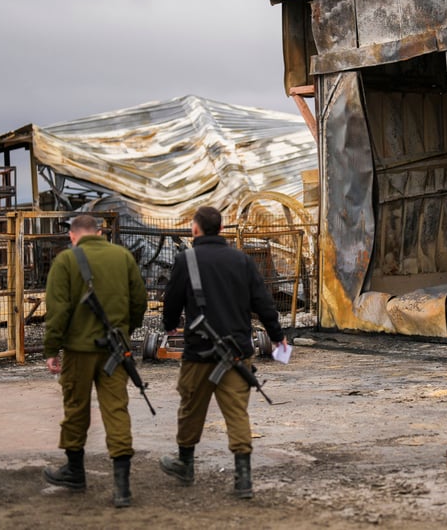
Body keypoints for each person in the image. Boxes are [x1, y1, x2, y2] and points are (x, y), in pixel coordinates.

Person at [159, 205, 288, 499]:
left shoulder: (186, 260)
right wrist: (278, 336)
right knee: (237, 413)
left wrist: (169, 326)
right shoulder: (241, 260)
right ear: (220, 229)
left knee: (190, 409)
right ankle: (243, 479)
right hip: (238, 353)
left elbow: (172, 302)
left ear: (195, 229)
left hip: (198, 353)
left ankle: (185, 464)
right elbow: (264, 302)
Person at [43, 214, 148, 508]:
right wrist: (126, 330)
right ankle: (122, 487)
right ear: (100, 232)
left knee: (76, 407)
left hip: (78, 350)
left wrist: (52, 349)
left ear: (72, 235)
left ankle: (75, 472)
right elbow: (140, 299)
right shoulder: (123, 256)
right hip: (116, 351)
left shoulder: (65, 261)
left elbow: (58, 311)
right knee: (116, 409)